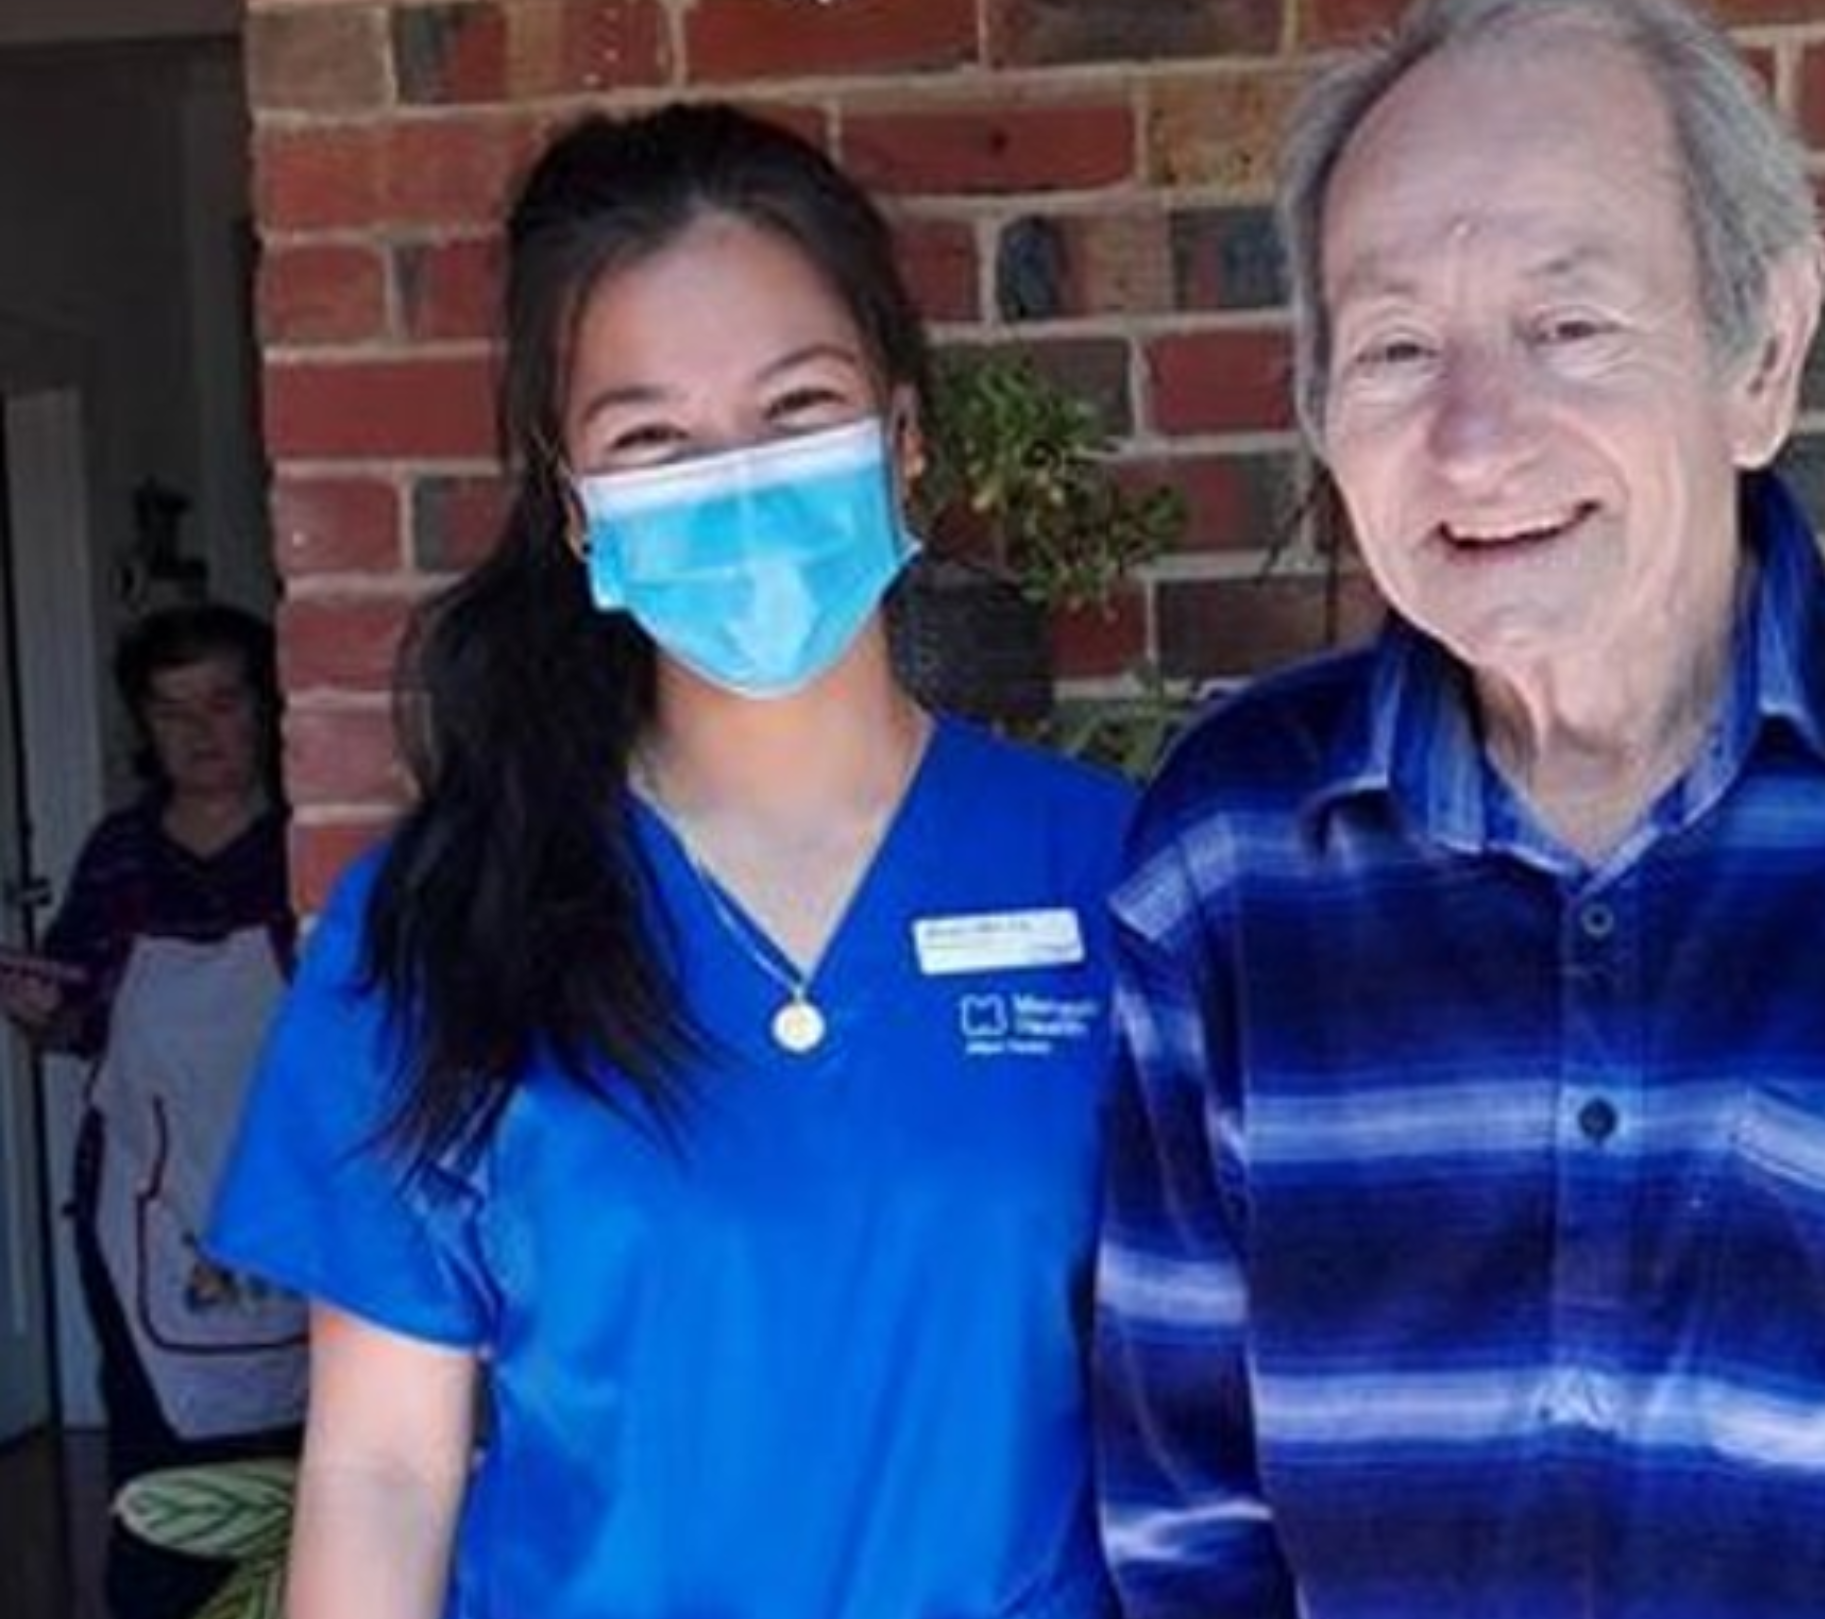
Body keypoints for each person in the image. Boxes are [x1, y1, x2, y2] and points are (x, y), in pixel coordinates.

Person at [1093, 0, 1825, 1619]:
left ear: (1761, 350)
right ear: (1322, 410)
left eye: (1570, 325)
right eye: (1400, 346)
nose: (1478, 439)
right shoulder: (1232, 848)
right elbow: (1188, 1524)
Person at [208, 103, 1133, 1619]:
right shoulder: (444, 922)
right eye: (653, 437)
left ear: (903, 443)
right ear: (579, 509)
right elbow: (385, 1469)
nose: (739, 481)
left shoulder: (1105, 876)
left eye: (795, 408)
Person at [2, 599, 304, 1619]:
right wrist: (42, 1011)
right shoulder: (119, 854)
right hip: (146, 1215)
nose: (201, 730)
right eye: (172, 711)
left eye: (222, 701)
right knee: (159, 1461)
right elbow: (80, 1018)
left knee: (304, 1458)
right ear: (144, 727)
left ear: (265, 707)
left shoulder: (308, 845)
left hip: (291, 1199)